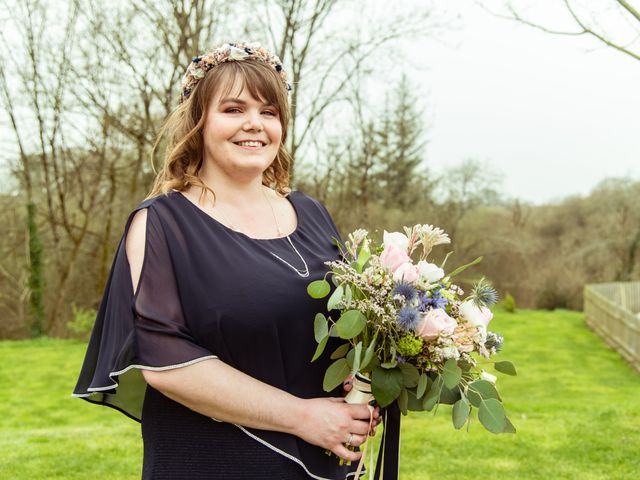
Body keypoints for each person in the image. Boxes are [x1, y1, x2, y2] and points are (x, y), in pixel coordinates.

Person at [73, 41, 381, 479]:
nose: (254, 124)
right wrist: (304, 417)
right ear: (198, 123)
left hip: (322, 463)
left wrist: (366, 381)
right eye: (234, 109)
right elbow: (167, 363)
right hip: (213, 463)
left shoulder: (311, 213)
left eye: (269, 112)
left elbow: (352, 324)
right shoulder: (162, 225)